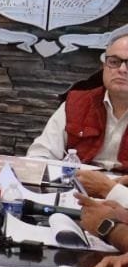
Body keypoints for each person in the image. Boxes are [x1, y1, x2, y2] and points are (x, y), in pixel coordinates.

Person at [29, 33, 128, 168]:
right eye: (114, 62)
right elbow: (40, 154)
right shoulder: (76, 103)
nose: (122, 69)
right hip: (79, 179)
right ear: (104, 66)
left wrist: (109, 183)